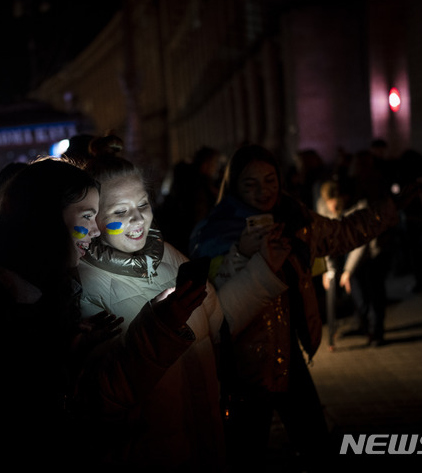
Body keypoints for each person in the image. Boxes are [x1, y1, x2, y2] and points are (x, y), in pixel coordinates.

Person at [0, 157, 209, 471]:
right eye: (87, 216)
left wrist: (68, 350)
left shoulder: (47, 287)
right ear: (45, 217)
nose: (96, 230)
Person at [76, 141, 289, 470]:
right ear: (94, 220)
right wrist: (159, 329)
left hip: (205, 447)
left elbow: (218, 323)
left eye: (143, 205)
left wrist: (263, 268)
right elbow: (104, 395)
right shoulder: (84, 285)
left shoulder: (170, 257)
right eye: (120, 211)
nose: (137, 219)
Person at [189, 144, 402, 471]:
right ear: (233, 186)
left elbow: (341, 232)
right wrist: (242, 253)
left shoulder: (294, 218)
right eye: (251, 184)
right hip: (244, 368)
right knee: (245, 455)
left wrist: (392, 208)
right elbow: (210, 300)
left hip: (290, 358)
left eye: (270, 180)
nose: (264, 192)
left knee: (317, 445)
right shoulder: (214, 231)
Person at [318, 180, 391, 346]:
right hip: (351, 253)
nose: (331, 209)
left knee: (374, 293)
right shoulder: (323, 207)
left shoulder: (360, 206)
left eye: (335, 205)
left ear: (344, 198)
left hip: (371, 252)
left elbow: (361, 243)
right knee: (358, 294)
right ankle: (365, 327)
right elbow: (326, 240)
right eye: (328, 205)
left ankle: (376, 333)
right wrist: (328, 271)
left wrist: (348, 271)